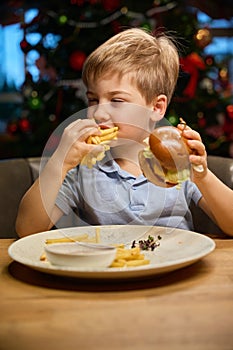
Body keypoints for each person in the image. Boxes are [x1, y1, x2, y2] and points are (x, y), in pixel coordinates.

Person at [15, 28, 233, 237]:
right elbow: (27, 229)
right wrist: (60, 162)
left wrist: (201, 176)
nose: (99, 113)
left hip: (178, 270)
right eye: (92, 99)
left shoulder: (176, 164)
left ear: (156, 108)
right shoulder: (84, 170)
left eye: (116, 101)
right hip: (108, 272)